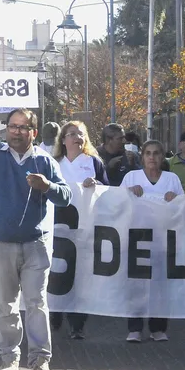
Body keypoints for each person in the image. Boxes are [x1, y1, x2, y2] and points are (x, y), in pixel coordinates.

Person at [0, 74, 71, 370]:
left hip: (36, 245)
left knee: (37, 303)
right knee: (6, 306)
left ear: (33, 132)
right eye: (12, 126)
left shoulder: (45, 161)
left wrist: (47, 186)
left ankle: (39, 362)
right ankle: (9, 360)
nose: (16, 131)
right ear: (5, 129)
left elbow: (66, 197)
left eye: (23, 126)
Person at [121, 140, 183, 342]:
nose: (152, 157)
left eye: (156, 153)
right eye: (148, 153)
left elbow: (183, 209)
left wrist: (176, 198)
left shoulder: (172, 179)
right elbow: (116, 202)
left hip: (163, 239)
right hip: (137, 237)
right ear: (142, 157)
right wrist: (129, 192)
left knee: (160, 285)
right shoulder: (131, 177)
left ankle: (158, 328)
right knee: (136, 284)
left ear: (162, 156)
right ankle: (135, 327)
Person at [49, 120, 105, 339]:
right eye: (72, 134)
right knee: (57, 273)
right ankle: (55, 313)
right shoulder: (54, 162)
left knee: (80, 276)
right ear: (63, 140)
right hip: (58, 227)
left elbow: (110, 191)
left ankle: (77, 323)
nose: (77, 138)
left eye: (81, 134)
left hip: (85, 227)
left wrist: (97, 184)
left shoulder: (94, 163)